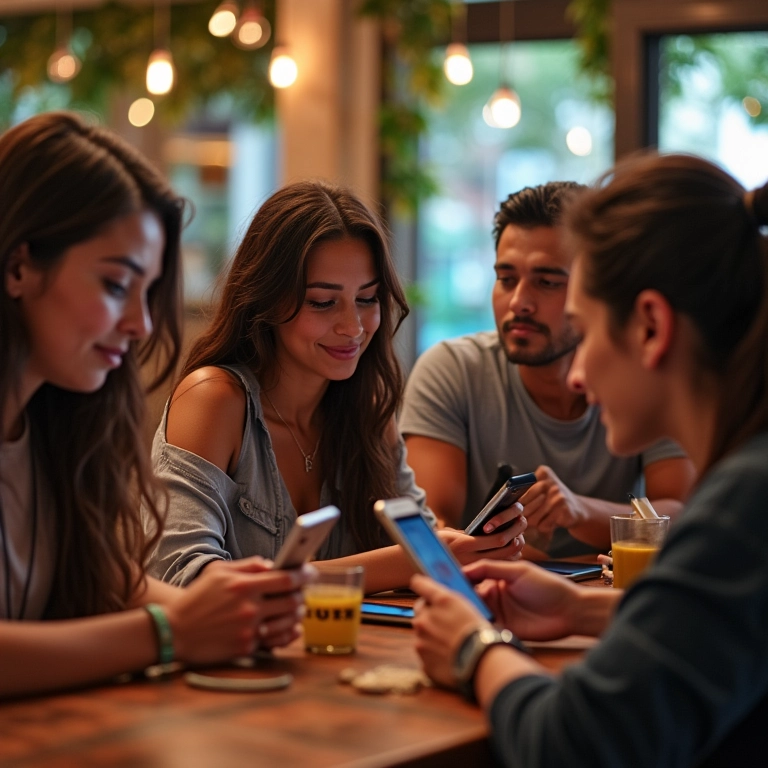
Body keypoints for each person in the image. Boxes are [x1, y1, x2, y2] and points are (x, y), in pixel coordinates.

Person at [411, 153, 768, 767]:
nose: (576, 374)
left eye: (583, 326)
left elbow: (573, 746)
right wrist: (581, 608)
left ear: (651, 328)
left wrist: (475, 648)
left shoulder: (747, 503)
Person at [0, 112, 312, 700]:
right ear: (18, 266)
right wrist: (171, 633)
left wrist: (230, 614)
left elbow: (115, 584)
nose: (141, 324)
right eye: (117, 285)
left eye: (147, 293)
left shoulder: (57, 428)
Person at [146, 180, 526, 595]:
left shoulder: (369, 406)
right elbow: (181, 577)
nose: (353, 327)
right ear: (267, 300)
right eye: (323, 303)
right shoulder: (214, 400)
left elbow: (422, 540)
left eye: (367, 299)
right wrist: (406, 562)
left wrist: (471, 549)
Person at [400, 181, 695, 557]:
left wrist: (578, 509)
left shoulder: (642, 376)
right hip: (495, 591)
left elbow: (678, 515)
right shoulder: (452, 369)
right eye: (506, 279)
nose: (519, 302)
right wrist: (513, 550)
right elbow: (432, 527)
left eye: (547, 282)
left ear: (593, 290)